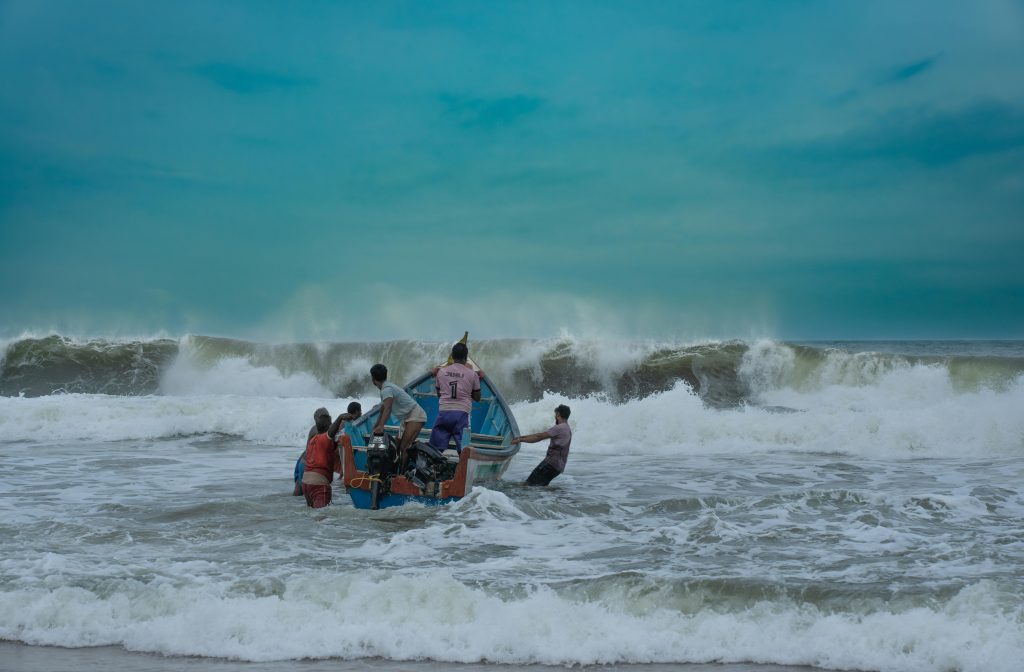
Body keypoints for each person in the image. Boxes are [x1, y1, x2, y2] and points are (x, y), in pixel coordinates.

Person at [293, 402, 362, 496]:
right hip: (308, 465)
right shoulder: (323, 430)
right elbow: (334, 432)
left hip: (303, 461)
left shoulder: (316, 429)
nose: (329, 418)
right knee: (309, 495)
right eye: (327, 417)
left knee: (300, 495)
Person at [430, 342, 483, 453]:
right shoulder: (472, 374)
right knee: (464, 450)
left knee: (435, 449)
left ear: (452, 356)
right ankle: (463, 467)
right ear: (466, 357)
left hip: (443, 414)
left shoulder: (441, 372)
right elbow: (477, 398)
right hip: (462, 415)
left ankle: (434, 466)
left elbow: (439, 394)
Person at [370, 363, 427, 466]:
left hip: (415, 415)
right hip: (406, 418)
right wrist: (377, 425)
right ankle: (395, 469)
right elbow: (383, 409)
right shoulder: (386, 388)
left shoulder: (386, 389)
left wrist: (382, 426)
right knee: (396, 444)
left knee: (404, 447)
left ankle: (401, 476)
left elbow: (388, 408)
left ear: (373, 380)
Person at [512, 404, 572, 486]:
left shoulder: (559, 428)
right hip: (558, 467)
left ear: (558, 414)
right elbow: (539, 435)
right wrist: (521, 437)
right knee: (539, 487)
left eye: (556, 414)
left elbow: (539, 436)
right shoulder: (567, 429)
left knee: (527, 485)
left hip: (550, 464)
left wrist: (520, 439)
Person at [301, 409, 340, 508]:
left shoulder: (313, 439)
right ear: (328, 427)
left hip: (306, 483)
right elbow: (330, 433)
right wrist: (340, 418)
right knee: (321, 518)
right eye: (330, 424)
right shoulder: (324, 439)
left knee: (312, 515)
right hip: (318, 483)